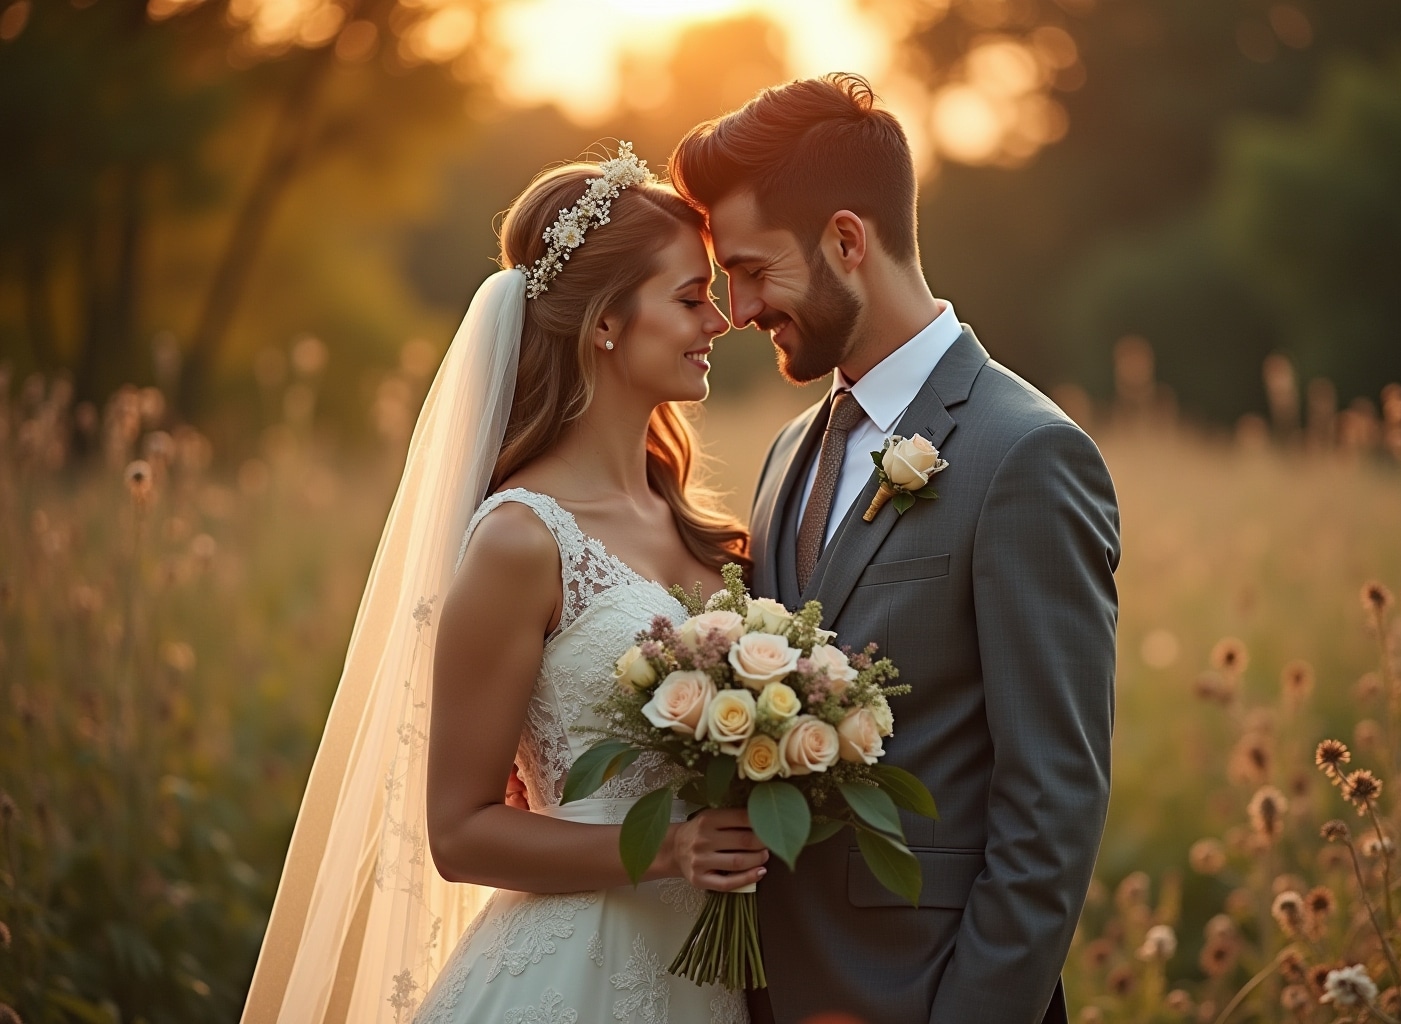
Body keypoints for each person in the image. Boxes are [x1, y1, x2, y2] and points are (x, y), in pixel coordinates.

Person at [239, 143, 765, 1024]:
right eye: (688, 298)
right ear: (605, 321)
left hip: (710, 975)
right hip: (576, 974)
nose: (718, 321)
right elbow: (460, 832)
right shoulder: (523, 540)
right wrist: (671, 850)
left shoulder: (703, 528)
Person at [669, 74, 1122, 1024]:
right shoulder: (791, 448)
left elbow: (1052, 809)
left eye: (753, 269)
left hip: (925, 994)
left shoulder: (1026, 454)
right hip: (771, 993)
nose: (740, 309)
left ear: (846, 240)